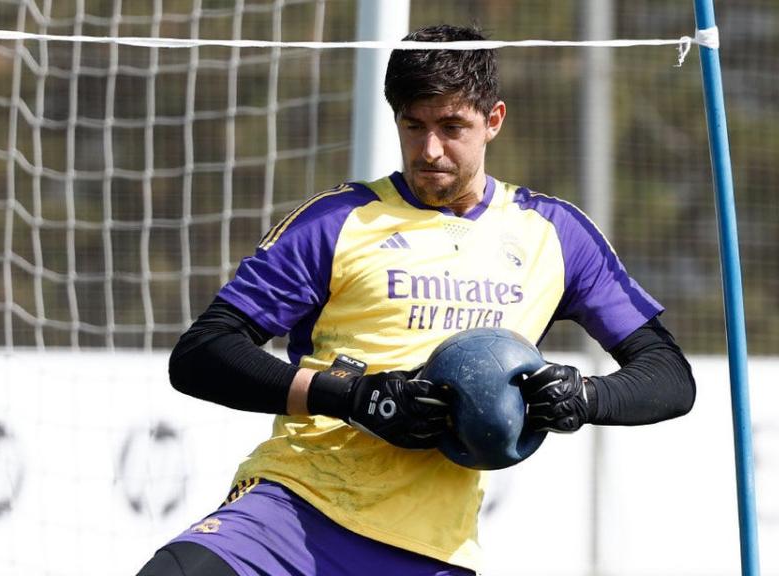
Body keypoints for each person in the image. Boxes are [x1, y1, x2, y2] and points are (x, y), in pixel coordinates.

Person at [137, 24, 695, 576]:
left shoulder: (554, 233)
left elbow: (669, 376)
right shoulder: (337, 221)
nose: (431, 150)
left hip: (432, 552)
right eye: (415, 125)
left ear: (493, 121)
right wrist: (351, 397)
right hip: (291, 511)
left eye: (453, 127)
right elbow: (202, 353)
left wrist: (584, 397)